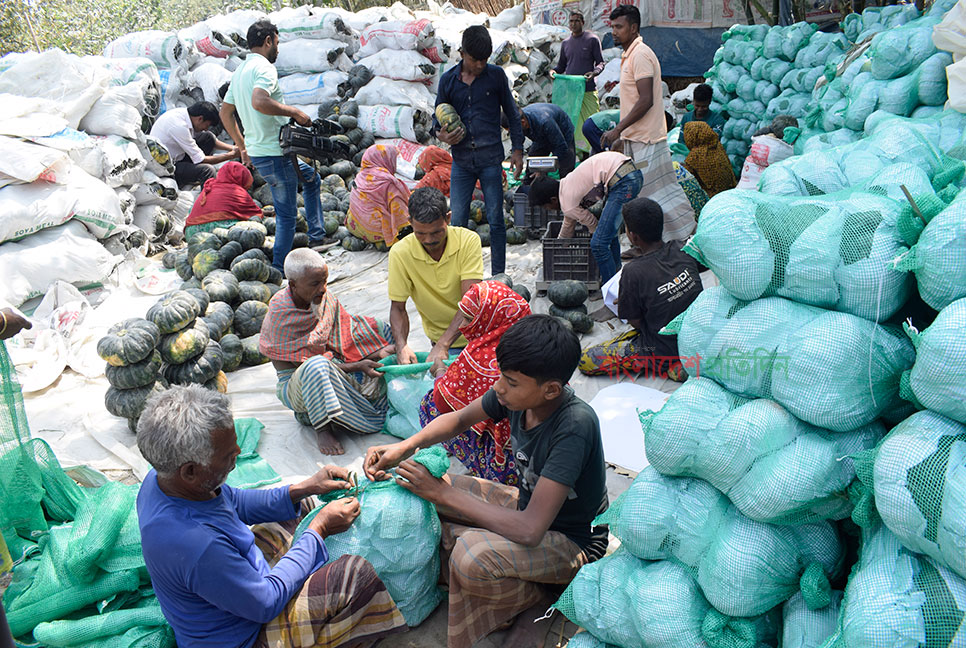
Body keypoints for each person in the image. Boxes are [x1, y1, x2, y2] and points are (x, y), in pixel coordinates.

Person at [364, 315, 608, 648]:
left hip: (573, 543)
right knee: (429, 482)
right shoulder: (519, 398)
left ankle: (543, 594)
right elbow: (459, 419)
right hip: (529, 510)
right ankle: (525, 587)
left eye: (510, 381)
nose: (498, 387)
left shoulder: (574, 426)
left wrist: (443, 495)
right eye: (501, 376)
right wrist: (405, 447)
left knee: (468, 551)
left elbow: (530, 529)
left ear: (551, 389)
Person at [136, 385, 407, 648]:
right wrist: (320, 528)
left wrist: (306, 487)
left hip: (243, 590)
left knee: (304, 505)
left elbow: (234, 501)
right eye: (229, 454)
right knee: (353, 575)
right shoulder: (196, 545)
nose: (239, 453)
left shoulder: (163, 480)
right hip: (246, 636)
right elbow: (265, 603)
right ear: (191, 471)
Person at [259, 248, 395, 455]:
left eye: (325, 281)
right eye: (315, 284)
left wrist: (373, 350)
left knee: (381, 328)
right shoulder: (280, 315)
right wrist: (358, 365)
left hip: (332, 361)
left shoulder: (323, 298)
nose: (323, 289)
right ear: (293, 285)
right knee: (316, 367)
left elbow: (344, 332)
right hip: (300, 384)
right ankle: (322, 428)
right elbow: (308, 368)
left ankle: (374, 396)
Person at [220, 20, 327, 273]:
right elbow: (259, 101)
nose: (277, 49)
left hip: (262, 153)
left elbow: (225, 113)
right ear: (268, 41)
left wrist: (242, 146)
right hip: (275, 153)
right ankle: (280, 269)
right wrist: (295, 112)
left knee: (312, 179)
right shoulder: (264, 68)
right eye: (277, 43)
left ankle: (317, 236)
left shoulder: (240, 72)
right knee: (287, 214)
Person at [417, 280, 531, 486]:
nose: (462, 326)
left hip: (506, 468)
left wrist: (441, 370)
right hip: (534, 453)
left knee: (429, 405)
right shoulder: (538, 343)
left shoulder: (481, 357)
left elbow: (443, 402)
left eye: (469, 319)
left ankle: (473, 459)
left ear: (487, 319)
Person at [600, 5, 696, 244]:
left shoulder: (641, 54)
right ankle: (673, 238)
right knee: (653, 193)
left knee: (653, 195)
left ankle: (684, 235)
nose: (614, 32)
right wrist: (625, 136)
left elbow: (646, 100)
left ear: (633, 28)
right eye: (612, 27)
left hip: (648, 139)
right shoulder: (630, 55)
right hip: (639, 137)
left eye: (619, 27)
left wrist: (618, 129)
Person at [433, 24, 524, 276]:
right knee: (459, 222)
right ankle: (461, 277)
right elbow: (435, 119)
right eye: (475, 60)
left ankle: (498, 277)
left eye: (485, 60)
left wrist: (518, 150)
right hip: (461, 161)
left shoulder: (496, 77)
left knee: (496, 220)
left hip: (490, 160)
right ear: (462, 53)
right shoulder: (448, 81)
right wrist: (441, 134)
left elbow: (513, 116)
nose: (481, 65)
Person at [578, 196, 702, 381]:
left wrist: (630, 299)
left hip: (661, 348)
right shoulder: (682, 249)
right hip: (698, 339)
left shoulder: (633, 272)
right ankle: (688, 363)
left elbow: (635, 321)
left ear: (632, 235)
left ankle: (672, 365)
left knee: (587, 360)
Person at [388, 187, 484, 375]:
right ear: (410, 223)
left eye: (436, 232)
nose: (429, 240)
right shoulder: (400, 253)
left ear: (448, 218)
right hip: (442, 344)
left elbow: (469, 304)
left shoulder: (468, 241)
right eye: (420, 234)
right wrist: (402, 346)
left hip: (478, 336)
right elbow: (398, 307)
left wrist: (443, 344)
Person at [528, 151, 643, 283]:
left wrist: (596, 237)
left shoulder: (568, 203)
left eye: (545, 207)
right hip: (630, 172)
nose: (548, 210)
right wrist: (560, 246)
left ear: (553, 200)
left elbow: (591, 222)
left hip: (623, 181)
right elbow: (568, 223)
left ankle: (610, 291)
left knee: (599, 244)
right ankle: (616, 276)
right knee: (608, 234)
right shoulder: (566, 185)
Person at [150, 101, 238, 188]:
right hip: (169, 168)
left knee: (208, 137)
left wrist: (234, 148)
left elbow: (210, 139)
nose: (206, 128)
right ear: (200, 119)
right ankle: (207, 199)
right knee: (208, 170)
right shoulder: (179, 126)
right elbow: (201, 159)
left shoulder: (185, 115)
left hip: (178, 153)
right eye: (206, 125)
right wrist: (231, 155)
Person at [553, 11, 605, 154]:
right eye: (571, 21)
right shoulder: (565, 43)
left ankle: (596, 151)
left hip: (588, 89)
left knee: (593, 121)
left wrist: (594, 73)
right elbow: (561, 66)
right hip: (572, 91)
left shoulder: (592, 39)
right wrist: (553, 72)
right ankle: (578, 152)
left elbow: (600, 63)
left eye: (576, 21)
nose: (573, 24)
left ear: (582, 22)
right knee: (573, 123)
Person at [346, 143, 411, 246]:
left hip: (353, 225)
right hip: (374, 231)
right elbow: (400, 212)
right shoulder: (388, 182)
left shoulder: (361, 175)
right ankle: (384, 238)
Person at [184, 161, 262, 239]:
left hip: (191, 234)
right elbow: (255, 215)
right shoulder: (237, 191)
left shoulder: (210, 185)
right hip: (213, 233)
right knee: (248, 229)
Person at [502, 102, 576, 178]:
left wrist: (543, 169)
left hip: (562, 133)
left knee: (565, 167)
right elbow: (518, 139)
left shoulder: (545, 121)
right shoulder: (519, 122)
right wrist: (517, 154)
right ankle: (529, 184)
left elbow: (561, 147)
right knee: (533, 165)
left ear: (523, 123)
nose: (510, 133)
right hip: (541, 135)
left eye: (511, 131)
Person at [682, 120, 737, 197]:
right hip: (729, 190)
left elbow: (686, 176)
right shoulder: (717, 146)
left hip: (713, 196)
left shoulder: (695, 156)